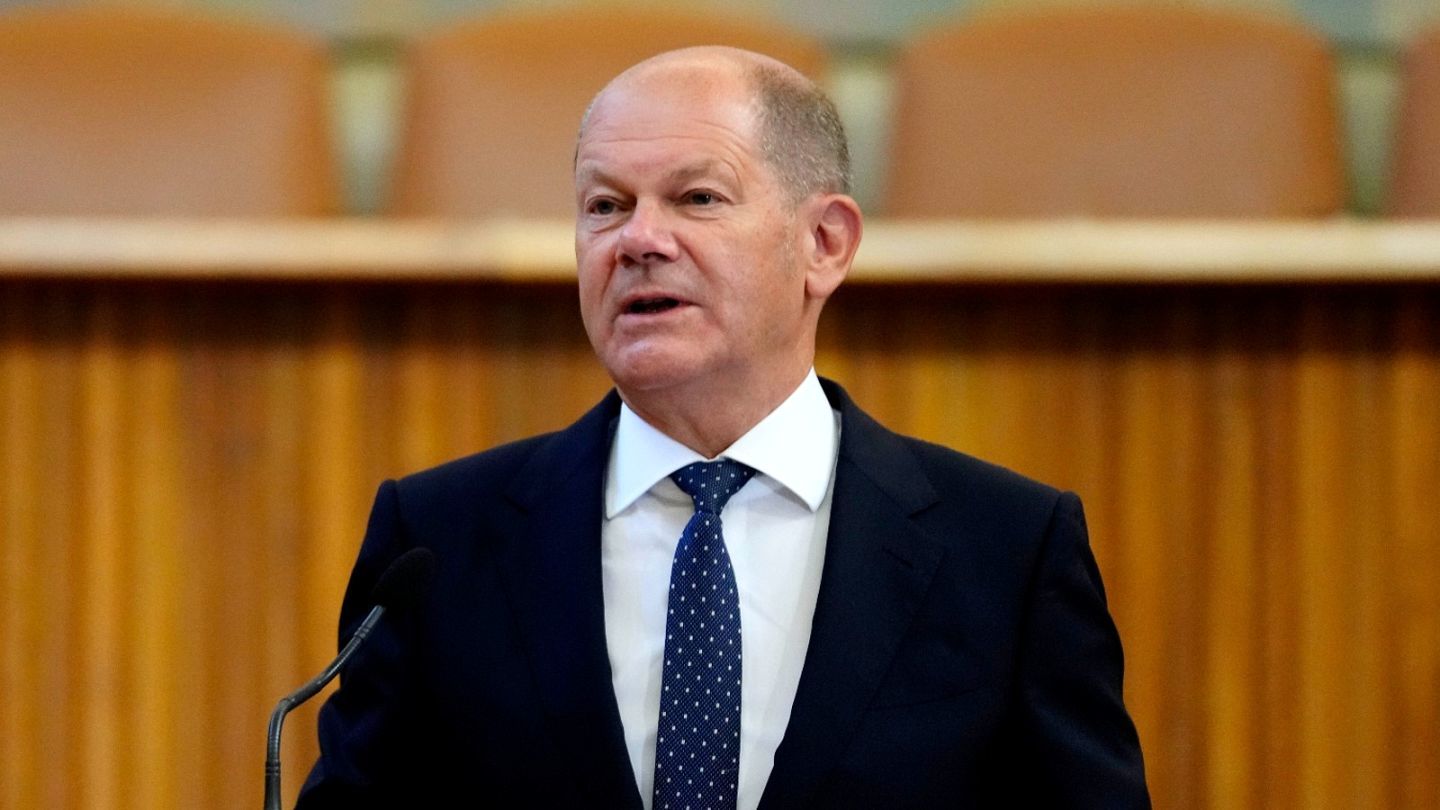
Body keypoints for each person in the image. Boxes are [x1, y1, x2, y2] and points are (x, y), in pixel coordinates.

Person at [298, 46, 1149, 809]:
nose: (638, 240)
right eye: (605, 205)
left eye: (697, 198)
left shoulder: (1006, 550)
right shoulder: (437, 542)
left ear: (825, 243)